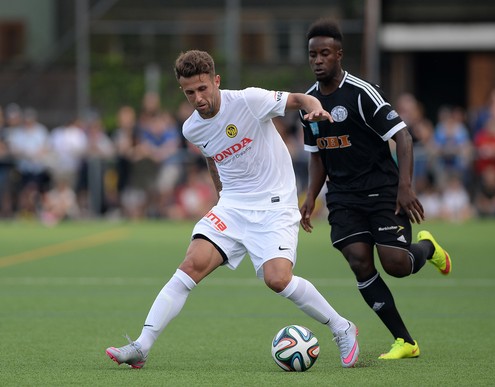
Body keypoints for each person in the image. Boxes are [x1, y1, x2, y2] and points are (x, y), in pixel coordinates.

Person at [105, 49, 359, 369]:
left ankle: (341, 326)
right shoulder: (191, 129)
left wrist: (316, 108)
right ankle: (142, 346)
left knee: (277, 279)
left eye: (202, 88)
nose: (197, 98)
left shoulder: (249, 100)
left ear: (216, 81)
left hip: (274, 204)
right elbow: (213, 157)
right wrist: (222, 197)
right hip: (233, 207)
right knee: (190, 265)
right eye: (189, 93)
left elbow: (298, 99)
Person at [299, 19, 452, 361]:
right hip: (342, 197)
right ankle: (405, 341)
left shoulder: (362, 92)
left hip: (381, 189)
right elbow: (317, 155)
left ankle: (426, 247)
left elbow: (403, 136)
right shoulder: (308, 103)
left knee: (396, 264)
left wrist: (405, 186)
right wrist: (310, 198)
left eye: (325, 53)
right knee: (359, 260)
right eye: (312, 55)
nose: (318, 60)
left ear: (339, 54)